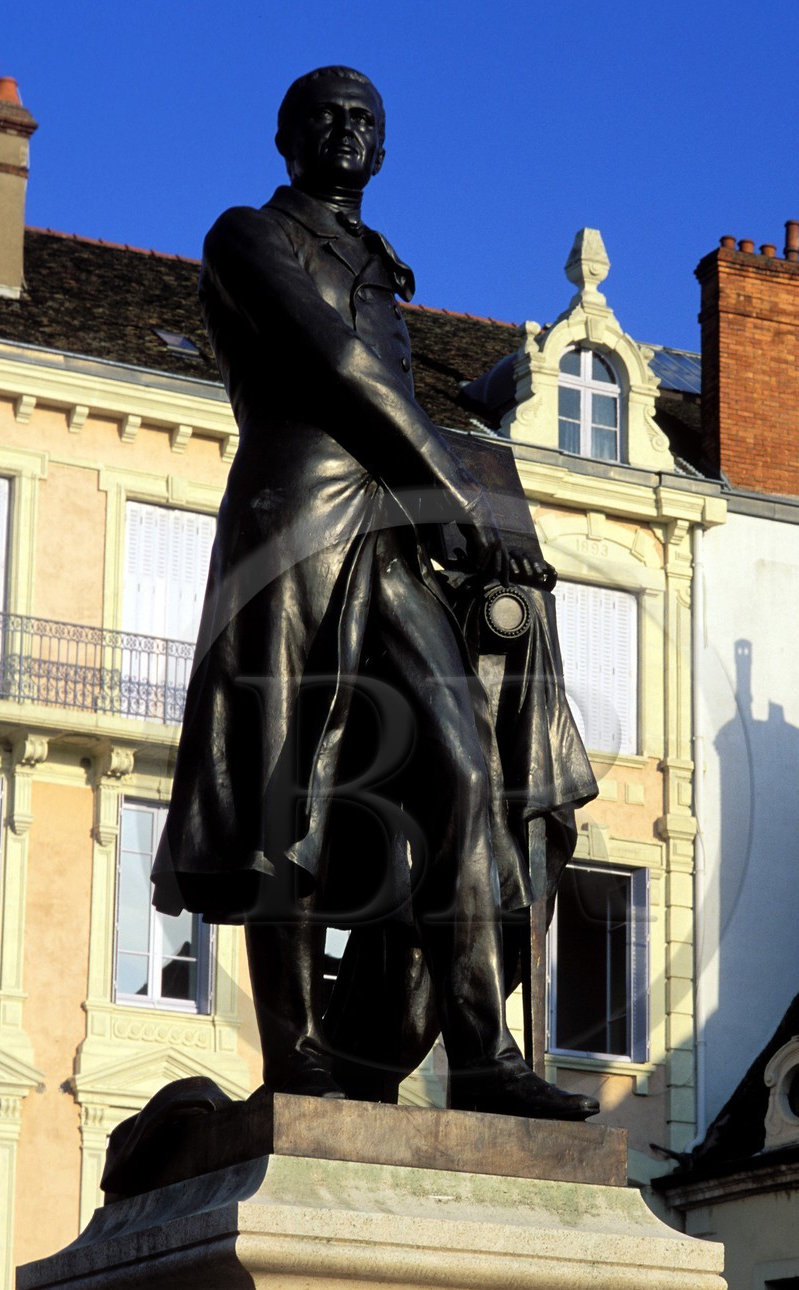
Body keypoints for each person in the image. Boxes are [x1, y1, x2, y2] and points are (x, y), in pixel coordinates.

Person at [152, 66, 599, 1119]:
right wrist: (465, 505)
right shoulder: (247, 239)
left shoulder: (383, 262)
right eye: (326, 118)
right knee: (286, 786)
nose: (347, 133)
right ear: (284, 137)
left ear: (384, 149)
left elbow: (403, 402)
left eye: (366, 121)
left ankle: (482, 1055)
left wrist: (481, 523)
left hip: (394, 542)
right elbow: (339, 371)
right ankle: (296, 1048)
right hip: (296, 522)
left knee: (460, 765)